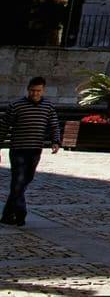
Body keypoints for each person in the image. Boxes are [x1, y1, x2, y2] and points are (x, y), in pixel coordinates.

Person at [3, 76, 62, 226]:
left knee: (25, 180)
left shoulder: (48, 106)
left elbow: (54, 124)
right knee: (18, 181)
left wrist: (56, 141)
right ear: (28, 89)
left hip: (35, 149)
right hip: (18, 149)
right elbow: (3, 126)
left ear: (43, 90)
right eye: (32, 90)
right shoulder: (16, 106)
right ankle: (21, 212)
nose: (35, 93)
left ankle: (7, 215)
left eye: (38, 91)